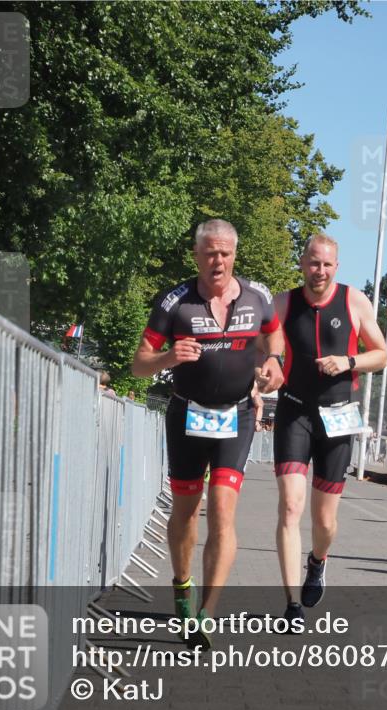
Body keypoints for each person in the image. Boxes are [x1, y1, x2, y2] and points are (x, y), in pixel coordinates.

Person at [131, 219, 284, 642]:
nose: (218, 262)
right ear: (197, 255)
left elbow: (275, 339)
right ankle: (182, 583)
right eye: (210, 254)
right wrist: (168, 358)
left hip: (235, 415)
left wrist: (275, 365)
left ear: (235, 255)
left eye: (225, 254)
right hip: (186, 414)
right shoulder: (173, 302)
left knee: (222, 508)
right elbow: (138, 363)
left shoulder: (258, 296)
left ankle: (207, 612)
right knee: (184, 509)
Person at [273, 234, 387, 624]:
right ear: (302, 263)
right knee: (290, 506)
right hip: (293, 411)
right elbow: (263, 348)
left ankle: (318, 561)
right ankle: (291, 605)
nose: (319, 270)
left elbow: (382, 354)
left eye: (326, 264)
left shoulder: (354, 301)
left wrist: (349, 361)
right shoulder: (283, 303)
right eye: (313, 262)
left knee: (324, 521)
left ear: (336, 267)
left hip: (339, 415)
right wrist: (264, 370)